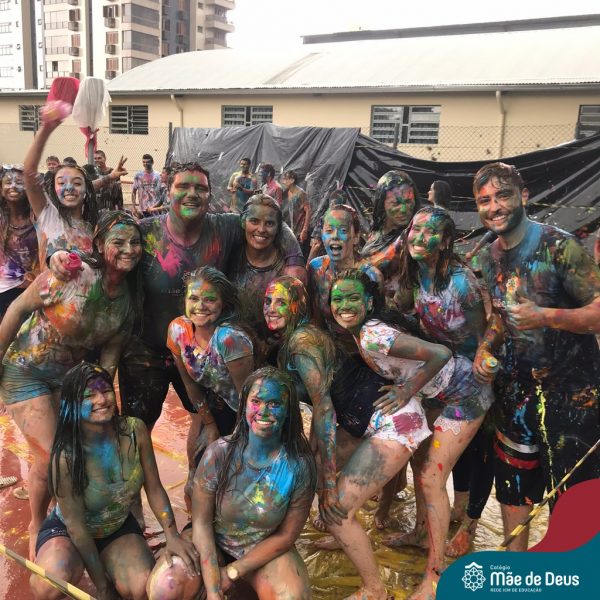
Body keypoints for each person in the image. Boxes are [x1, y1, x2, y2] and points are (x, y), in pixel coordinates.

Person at [330, 269, 492, 600]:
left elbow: (441, 354)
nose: (344, 305)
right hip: (438, 394)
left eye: (352, 298)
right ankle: (420, 533)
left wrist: (406, 391)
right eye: (337, 299)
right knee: (421, 469)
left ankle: (435, 578)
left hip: (465, 394)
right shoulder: (362, 333)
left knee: (432, 477)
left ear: (369, 302)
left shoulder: (373, 335)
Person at [117, 161, 303, 432]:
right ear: (167, 190)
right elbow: (110, 246)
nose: (192, 194)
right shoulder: (145, 233)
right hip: (146, 352)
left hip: (200, 350)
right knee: (135, 429)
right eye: (183, 186)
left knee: (205, 424)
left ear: (209, 195)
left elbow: (270, 220)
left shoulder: (224, 227)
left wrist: (294, 262)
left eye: (201, 188)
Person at [472, 162, 600, 551]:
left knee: (573, 501)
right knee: (513, 489)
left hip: (572, 398)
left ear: (524, 196)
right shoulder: (488, 256)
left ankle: (572, 574)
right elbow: (499, 317)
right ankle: (517, 571)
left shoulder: (560, 247)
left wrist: (545, 316)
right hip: (515, 395)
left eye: (503, 195)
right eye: (484, 200)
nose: (494, 207)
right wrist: (485, 347)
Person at [0, 210, 143, 559]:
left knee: (69, 452)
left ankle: (62, 517)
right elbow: (17, 309)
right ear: (100, 245)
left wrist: (100, 399)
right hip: (26, 370)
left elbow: (109, 357)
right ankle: (37, 524)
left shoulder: (127, 301)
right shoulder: (71, 275)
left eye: (135, 242)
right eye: (119, 241)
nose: (129, 249)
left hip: (69, 379)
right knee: (51, 456)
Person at [31, 362, 199, 600]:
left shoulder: (135, 431)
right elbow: (77, 529)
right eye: (89, 395)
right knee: (49, 584)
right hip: (70, 532)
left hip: (116, 526)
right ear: (72, 404)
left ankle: (108, 562)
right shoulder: (65, 456)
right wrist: (103, 587)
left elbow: (154, 488)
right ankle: (92, 567)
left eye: (106, 390)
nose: (101, 400)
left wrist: (172, 535)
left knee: (141, 587)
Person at [146, 366, 316, 600]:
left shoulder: (299, 466)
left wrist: (233, 571)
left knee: (291, 597)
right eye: (256, 401)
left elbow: (287, 536)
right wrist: (213, 589)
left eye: (274, 404)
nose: (263, 411)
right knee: (166, 587)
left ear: (288, 411)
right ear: (244, 405)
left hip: (263, 549)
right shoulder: (218, 454)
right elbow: (202, 523)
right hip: (212, 542)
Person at [394, 206, 495, 558]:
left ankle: (468, 526)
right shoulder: (415, 275)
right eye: (416, 229)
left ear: (446, 241)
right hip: (441, 377)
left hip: (473, 382)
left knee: (475, 453)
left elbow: (485, 338)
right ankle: (425, 529)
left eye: (430, 231)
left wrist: (486, 372)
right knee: (429, 460)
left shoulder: (462, 284)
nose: (420, 238)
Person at [167, 266, 255, 507]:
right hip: (214, 404)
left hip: (244, 412)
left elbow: (248, 397)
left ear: (223, 304)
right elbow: (189, 384)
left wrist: (237, 442)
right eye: (194, 298)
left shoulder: (230, 339)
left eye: (210, 299)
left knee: (231, 484)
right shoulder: (178, 331)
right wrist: (209, 424)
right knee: (198, 479)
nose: (200, 306)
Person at [23, 116, 127, 267]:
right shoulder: (50, 217)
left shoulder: (92, 227)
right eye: (61, 183)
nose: (69, 187)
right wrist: (46, 129)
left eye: (77, 183)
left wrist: (110, 177)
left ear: (86, 191)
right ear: (54, 189)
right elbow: (28, 175)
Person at [229, 194, 307, 345]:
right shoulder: (230, 255)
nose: (261, 229)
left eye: (270, 223)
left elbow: (297, 319)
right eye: (254, 221)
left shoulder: (287, 269)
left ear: (278, 228)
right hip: (234, 345)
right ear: (243, 222)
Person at [360, 170, 420, 302]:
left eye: (408, 202)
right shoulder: (377, 231)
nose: (404, 209)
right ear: (382, 203)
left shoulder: (412, 238)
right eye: (396, 203)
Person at [0, 166, 39, 320]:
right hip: (5, 287)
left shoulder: (38, 216)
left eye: (19, 182)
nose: (13, 186)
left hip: (35, 286)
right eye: (8, 182)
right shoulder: (1, 218)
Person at [280, 170, 311, 250]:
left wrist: (305, 229)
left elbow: (308, 211)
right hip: (291, 227)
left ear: (292, 180)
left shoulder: (301, 193)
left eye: (286, 179)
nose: (283, 181)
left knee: (298, 250)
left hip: (299, 229)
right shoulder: (288, 192)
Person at [131, 154, 161, 218]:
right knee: (143, 224)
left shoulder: (158, 175)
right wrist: (133, 206)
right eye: (144, 162)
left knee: (155, 224)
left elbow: (162, 192)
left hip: (155, 208)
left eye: (147, 162)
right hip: (143, 209)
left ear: (152, 162)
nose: (145, 164)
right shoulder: (138, 176)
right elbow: (134, 191)